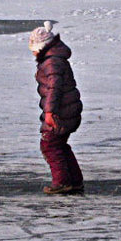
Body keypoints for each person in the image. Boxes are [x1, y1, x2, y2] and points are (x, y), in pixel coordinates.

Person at [29, 21, 84, 195]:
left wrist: (50, 112)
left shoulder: (51, 63)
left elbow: (54, 89)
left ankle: (62, 182)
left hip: (61, 111)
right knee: (60, 144)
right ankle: (74, 181)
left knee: (50, 145)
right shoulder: (53, 59)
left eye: (34, 48)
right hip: (67, 110)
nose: (32, 52)